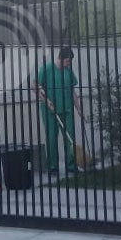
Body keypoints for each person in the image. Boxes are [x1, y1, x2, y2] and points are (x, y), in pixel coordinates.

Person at [33, 47, 84, 177]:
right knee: (51, 138)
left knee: (70, 137)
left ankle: (71, 166)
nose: (68, 64)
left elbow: (72, 91)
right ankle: (52, 167)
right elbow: (34, 86)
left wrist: (78, 108)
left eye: (70, 62)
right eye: (67, 61)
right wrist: (46, 101)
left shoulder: (68, 71)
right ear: (61, 58)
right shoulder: (46, 69)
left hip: (67, 109)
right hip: (49, 111)